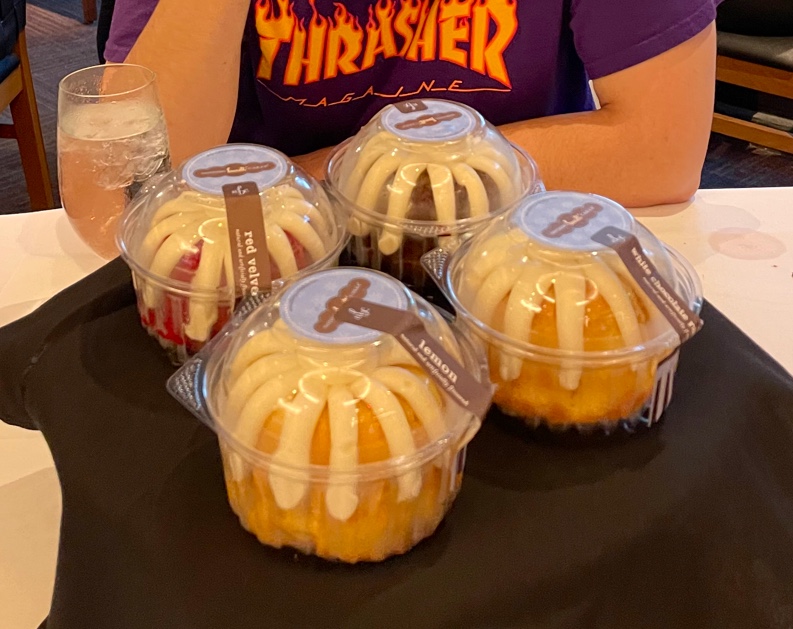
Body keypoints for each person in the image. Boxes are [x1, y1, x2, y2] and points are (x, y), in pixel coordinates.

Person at [104, 0, 720, 207]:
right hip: (264, 275)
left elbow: (661, 150)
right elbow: (139, 184)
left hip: (526, 250)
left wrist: (337, 177)